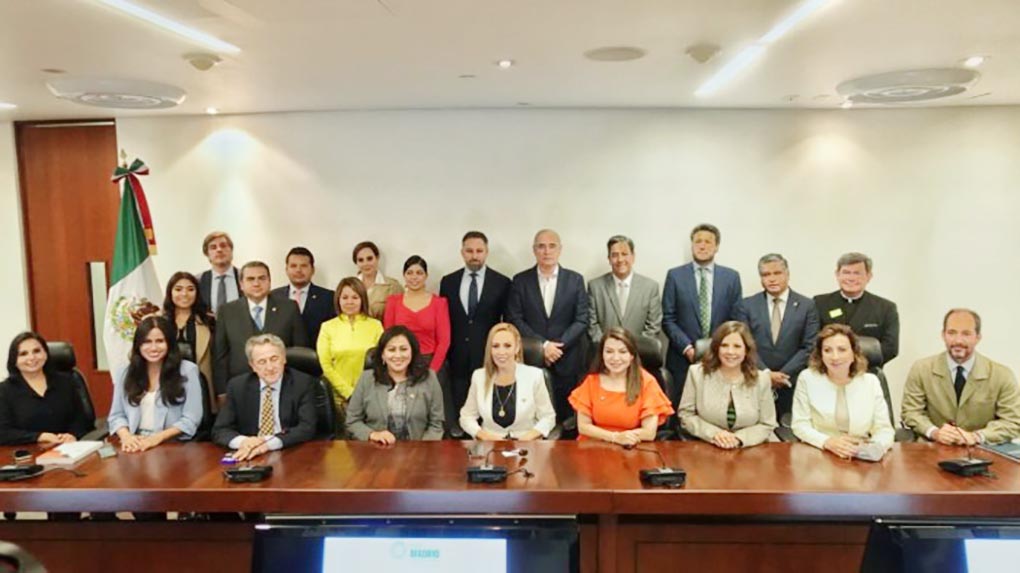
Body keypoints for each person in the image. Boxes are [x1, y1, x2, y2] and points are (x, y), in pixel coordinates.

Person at [901, 309, 1020, 445]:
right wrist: (934, 432)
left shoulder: (1002, 375)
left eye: (966, 334)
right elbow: (911, 412)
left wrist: (977, 436)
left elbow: (1013, 422)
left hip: (982, 449)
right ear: (943, 335)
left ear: (978, 337)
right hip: (933, 447)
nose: (958, 340)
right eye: (951, 333)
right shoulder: (921, 369)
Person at [506, 229, 589, 422]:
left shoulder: (575, 280)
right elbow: (515, 318)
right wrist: (543, 346)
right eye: (541, 246)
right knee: (532, 414)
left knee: (566, 417)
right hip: (532, 359)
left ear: (560, 249)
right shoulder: (520, 281)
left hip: (566, 358)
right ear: (534, 250)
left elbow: (581, 319)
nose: (547, 251)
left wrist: (556, 347)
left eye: (552, 246)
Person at [662, 223, 743, 406]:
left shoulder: (731, 277)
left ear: (717, 246)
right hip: (682, 358)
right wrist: (688, 348)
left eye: (708, 242)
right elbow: (668, 319)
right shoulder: (675, 276)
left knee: (716, 408)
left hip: (721, 358)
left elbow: (736, 320)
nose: (702, 246)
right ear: (692, 245)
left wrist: (718, 348)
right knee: (681, 409)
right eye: (698, 241)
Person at [439, 231, 511, 431]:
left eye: (479, 251)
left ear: (486, 252)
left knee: (487, 408)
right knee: (461, 412)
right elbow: (444, 320)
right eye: (469, 251)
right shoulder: (448, 282)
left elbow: (507, 323)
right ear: (462, 252)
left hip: (489, 356)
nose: (474, 255)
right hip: (457, 357)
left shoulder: (502, 282)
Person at [732, 254, 819, 420]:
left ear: (787, 274)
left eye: (777, 273)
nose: (772, 279)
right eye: (766, 274)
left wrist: (783, 375)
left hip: (792, 382)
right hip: (755, 380)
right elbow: (743, 344)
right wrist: (766, 374)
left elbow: (810, 346)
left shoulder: (807, 305)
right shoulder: (747, 305)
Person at [791, 324, 894, 460]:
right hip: (820, 454)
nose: (835, 357)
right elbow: (800, 425)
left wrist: (873, 447)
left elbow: (884, 429)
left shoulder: (871, 382)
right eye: (827, 350)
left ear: (854, 353)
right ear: (821, 355)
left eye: (842, 350)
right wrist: (827, 442)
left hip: (861, 455)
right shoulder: (807, 378)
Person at [212, 333, 317, 460]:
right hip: (250, 454)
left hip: (291, 452)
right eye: (262, 362)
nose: (270, 367)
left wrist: (267, 443)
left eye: (274, 359)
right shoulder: (237, 386)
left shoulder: (303, 383)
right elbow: (220, 430)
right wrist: (244, 442)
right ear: (252, 365)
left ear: (284, 358)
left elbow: (307, 428)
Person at [107, 316, 204, 452]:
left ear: (169, 343)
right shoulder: (124, 372)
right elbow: (116, 416)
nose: (153, 348)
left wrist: (157, 438)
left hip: (172, 446)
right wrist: (127, 437)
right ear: (138, 345)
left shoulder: (188, 371)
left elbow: (191, 419)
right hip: (135, 444)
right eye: (147, 342)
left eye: (160, 341)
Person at [213, 261, 308, 396]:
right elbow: (221, 356)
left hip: (284, 387)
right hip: (241, 388)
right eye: (250, 279)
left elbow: (300, 349)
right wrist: (222, 392)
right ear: (241, 284)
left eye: (262, 278)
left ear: (269, 281)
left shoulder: (289, 307)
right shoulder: (227, 311)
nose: (256, 283)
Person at [678, 321, 776, 448]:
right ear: (716, 348)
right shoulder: (697, 374)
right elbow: (686, 415)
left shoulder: (761, 379)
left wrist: (738, 438)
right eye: (724, 345)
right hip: (706, 446)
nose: (730, 352)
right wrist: (715, 434)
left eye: (737, 346)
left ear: (746, 350)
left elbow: (767, 424)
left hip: (749, 449)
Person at [568, 328, 673, 444]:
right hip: (593, 445)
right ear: (602, 354)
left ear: (631, 355)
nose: (615, 358)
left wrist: (623, 438)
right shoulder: (591, 381)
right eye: (609, 351)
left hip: (631, 446)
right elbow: (583, 426)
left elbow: (649, 433)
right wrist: (614, 437)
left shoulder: (647, 382)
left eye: (622, 352)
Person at [346, 326, 445, 443]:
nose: (398, 355)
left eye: (403, 349)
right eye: (391, 350)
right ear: (382, 354)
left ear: (412, 352)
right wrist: (372, 434)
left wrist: (421, 448)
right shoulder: (367, 379)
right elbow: (352, 421)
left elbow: (436, 425)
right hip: (376, 449)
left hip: (419, 449)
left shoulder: (429, 378)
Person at [459, 323, 556, 440]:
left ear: (517, 348)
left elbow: (548, 418)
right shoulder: (479, 377)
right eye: (495, 346)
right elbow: (466, 417)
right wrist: (485, 436)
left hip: (526, 445)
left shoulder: (534, 376)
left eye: (507, 346)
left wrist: (526, 439)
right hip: (489, 446)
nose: (501, 352)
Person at [317, 277, 384, 435]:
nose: (350, 302)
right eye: (345, 297)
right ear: (338, 300)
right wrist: (349, 393)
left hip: (370, 397)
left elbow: (382, 362)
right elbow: (326, 365)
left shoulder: (375, 326)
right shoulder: (327, 327)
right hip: (338, 400)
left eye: (355, 297)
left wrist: (361, 394)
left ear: (362, 299)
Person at [0, 332, 91, 445]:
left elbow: (81, 419)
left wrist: (72, 435)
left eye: (37, 351)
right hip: (28, 451)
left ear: (46, 354)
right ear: (14, 360)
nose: (32, 357)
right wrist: (39, 436)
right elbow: (3, 433)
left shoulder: (66, 382)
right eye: (23, 354)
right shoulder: (4, 390)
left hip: (68, 448)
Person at [813, 252, 899, 365]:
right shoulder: (819, 303)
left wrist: (854, 364)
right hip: (828, 369)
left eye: (857, 273)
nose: (851, 278)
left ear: (869, 276)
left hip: (868, 370)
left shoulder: (886, 308)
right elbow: (812, 341)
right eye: (846, 272)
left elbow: (890, 349)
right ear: (837, 274)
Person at [587, 235, 662, 343]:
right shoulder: (595, 287)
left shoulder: (650, 287)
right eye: (615, 255)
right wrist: (609, 348)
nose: (620, 259)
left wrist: (632, 349)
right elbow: (592, 326)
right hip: (604, 352)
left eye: (624, 254)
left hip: (639, 351)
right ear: (609, 259)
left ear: (633, 257)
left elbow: (653, 327)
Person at [383, 256, 451, 373]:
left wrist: (432, 371)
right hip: (400, 362)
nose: (414, 277)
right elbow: (388, 337)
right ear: (404, 275)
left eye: (419, 273)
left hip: (430, 362)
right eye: (410, 273)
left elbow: (444, 341)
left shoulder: (439, 303)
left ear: (426, 276)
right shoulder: (393, 302)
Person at [161, 271, 217, 411]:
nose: (184, 294)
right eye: (178, 289)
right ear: (170, 292)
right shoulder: (159, 322)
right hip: (166, 385)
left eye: (190, 289)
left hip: (201, 386)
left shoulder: (209, 321)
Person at [271, 247, 337, 346]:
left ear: (312, 270)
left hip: (317, 353)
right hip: (281, 353)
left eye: (304, 266)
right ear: (286, 270)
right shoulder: (273, 296)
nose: (298, 270)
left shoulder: (329, 297)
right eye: (293, 266)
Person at [353, 241, 404, 320]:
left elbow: (400, 316)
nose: (366, 263)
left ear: (377, 258)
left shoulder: (393, 286)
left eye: (369, 259)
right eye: (361, 260)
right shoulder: (349, 286)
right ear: (356, 263)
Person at [198, 231, 239, 313]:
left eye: (223, 246)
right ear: (207, 254)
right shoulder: (199, 280)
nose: (219, 250)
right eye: (213, 247)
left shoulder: (244, 277)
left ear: (231, 250)